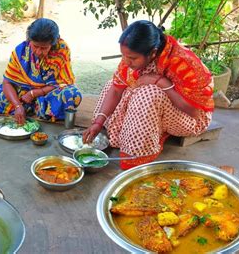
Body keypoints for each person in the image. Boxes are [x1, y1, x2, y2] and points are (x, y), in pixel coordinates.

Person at [83, 20, 214, 170]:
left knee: (147, 94)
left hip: (191, 118)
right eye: (124, 55)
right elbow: (116, 90)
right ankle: (140, 132)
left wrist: (162, 83)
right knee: (111, 84)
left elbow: (194, 111)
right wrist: (98, 123)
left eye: (132, 58)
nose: (126, 61)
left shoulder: (185, 63)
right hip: (163, 106)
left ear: (152, 52)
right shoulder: (133, 57)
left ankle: (138, 154)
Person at [0, 18, 82, 124]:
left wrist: (34, 93)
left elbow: (63, 82)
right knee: (1, 97)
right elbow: (7, 83)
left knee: (72, 94)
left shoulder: (61, 50)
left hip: (49, 93)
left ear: (52, 44)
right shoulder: (20, 51)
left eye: (44, 48)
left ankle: (33, 108)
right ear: (29, 41)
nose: (38, 52)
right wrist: (17, 105)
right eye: (35, 46)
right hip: (24, 93)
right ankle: (38, 110)